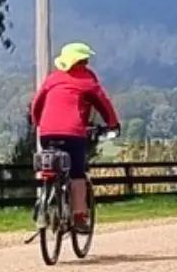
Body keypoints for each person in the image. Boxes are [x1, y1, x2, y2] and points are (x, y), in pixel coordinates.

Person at [29, 42, 121, 230]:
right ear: (82, 61)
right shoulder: (87, 80)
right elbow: (103, 103)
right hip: (72, 133)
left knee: (50, 165)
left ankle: (44, 203)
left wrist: (37, 122)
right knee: (77, 173)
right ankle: (79, 216)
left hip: (47, 131)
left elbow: (37, 103)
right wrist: (113, 124)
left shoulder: (52, 79)